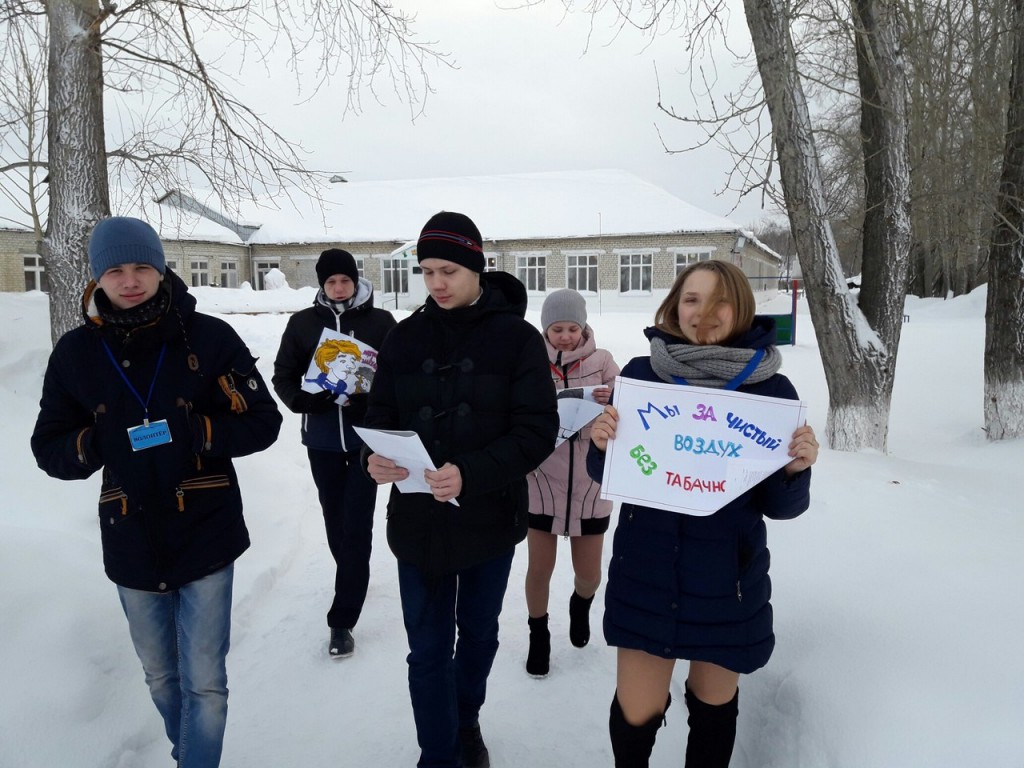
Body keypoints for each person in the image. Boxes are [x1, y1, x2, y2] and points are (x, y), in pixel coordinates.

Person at [30, 216, 282, 768]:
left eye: (142, 267)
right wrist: (97, 442)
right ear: (97, 278)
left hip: (206, 526)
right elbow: (48, 447)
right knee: (162, 676)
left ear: (161, 269)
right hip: (131, 534)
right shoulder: (75, 353)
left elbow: (263, 421)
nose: (129, 280)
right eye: (115, 270)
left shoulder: (208, 338)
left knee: (205, 682)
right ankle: (189, 752)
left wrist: (198, 431)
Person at [587, 260, 819, 768]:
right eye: (692, 299)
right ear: (675, 306)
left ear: (742, 309)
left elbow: (781, 508)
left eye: (721, 302)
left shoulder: (772, 394)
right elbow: (609, 475)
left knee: (713, 711)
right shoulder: (642, 377)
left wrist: (794, 470)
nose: (705, 312)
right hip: (647, 575)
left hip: (726, 585)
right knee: (636, 714)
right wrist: (601, 445)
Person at [363, 211, 558, 768]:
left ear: (477, 267)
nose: (437, 283)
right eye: (427, 272)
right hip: (417, 525)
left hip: (488, 520)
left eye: (448, 271)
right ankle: (438, 753)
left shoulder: (518, 339)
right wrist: (375, 459)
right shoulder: (403, 338)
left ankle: (465, 718)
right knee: (426, 651)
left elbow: (537, 431)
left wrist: (471, 473)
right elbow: (379, 415)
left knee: (477, 637)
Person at [272, 248, 396, 658]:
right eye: (331, 282)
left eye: (345, 280)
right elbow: (283, 375)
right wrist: (303, 401)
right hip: (322, 440)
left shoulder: (381, 323)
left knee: (356, 524)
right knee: (334, 521)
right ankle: (353, 574)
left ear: (355, 281)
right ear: (322, 285)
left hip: (365, 442)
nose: (339, 288)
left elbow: (398, 376)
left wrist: (370, 403)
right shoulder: (302, 324)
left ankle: (342, 620)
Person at [524, 288, 619, 677]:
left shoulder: (603, 361)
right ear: (545, 330)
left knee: (590, 574)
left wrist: (612, 399)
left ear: (584, 328)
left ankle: (581, 605)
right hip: (540, 482)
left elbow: (629, 408)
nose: (565, 336)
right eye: (557, 329)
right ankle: (538, 634)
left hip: (590, 487)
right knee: (539, 570)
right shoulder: (530, 360)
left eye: (572, 328)